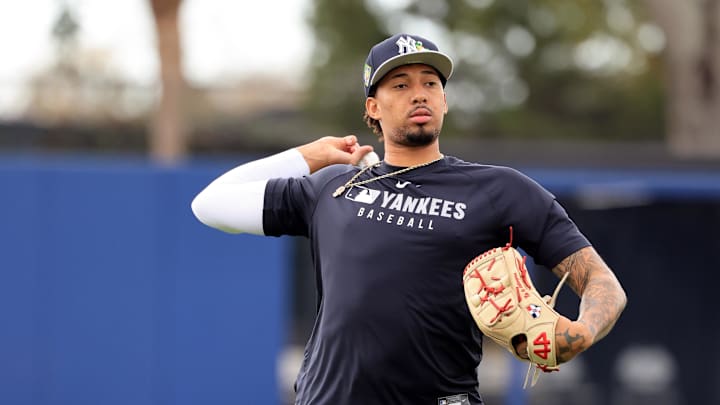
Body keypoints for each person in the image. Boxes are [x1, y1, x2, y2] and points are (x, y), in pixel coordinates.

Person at [191, 33, 627, 404]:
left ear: (444, 101)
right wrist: (308, 156)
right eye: (399, 85)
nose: (419, 93)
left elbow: (602, 283)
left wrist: (583, 331)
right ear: (373, 108)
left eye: (431, 83)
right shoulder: (332, 187)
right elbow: (210, 204)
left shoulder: (500, 190)